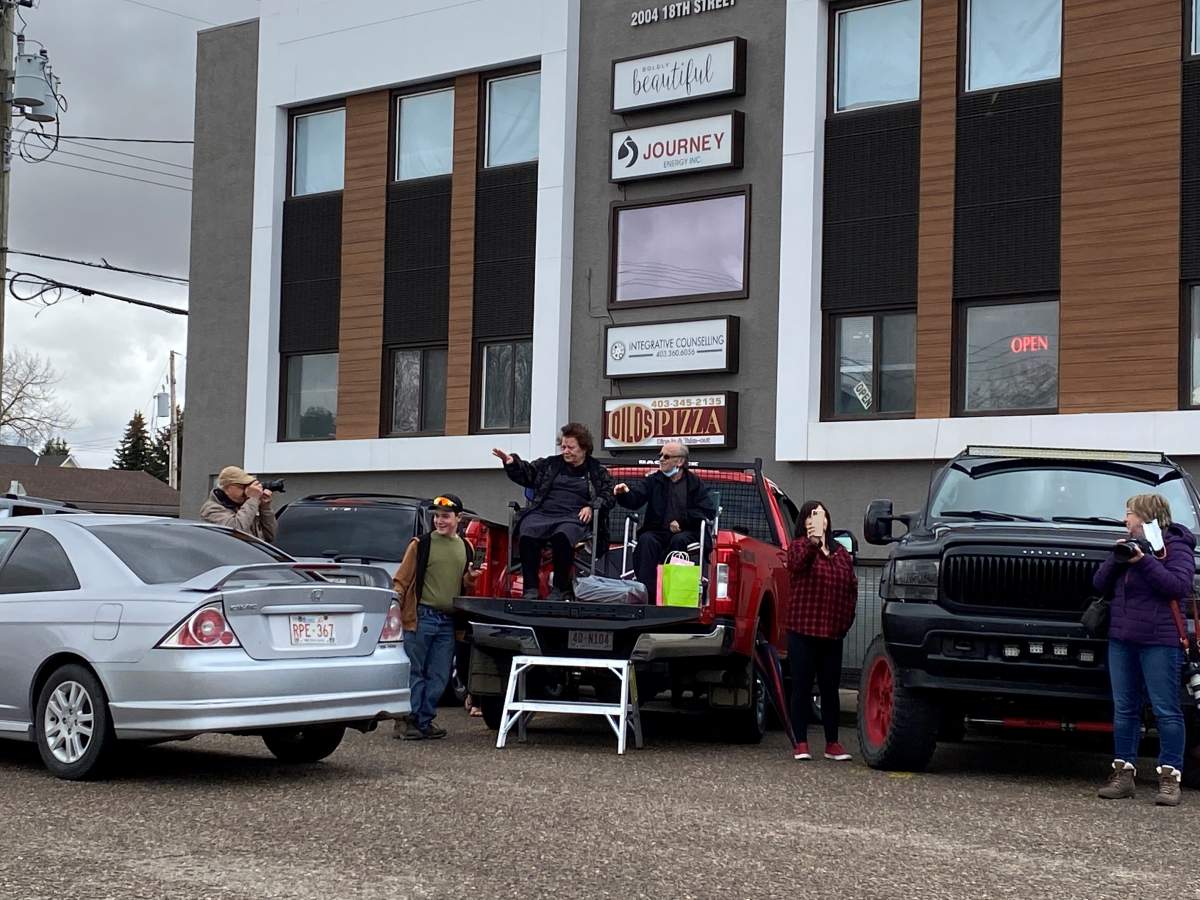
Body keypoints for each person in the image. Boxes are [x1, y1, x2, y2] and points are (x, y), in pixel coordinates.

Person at [1094, 493, 1195, 806]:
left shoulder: (1176, 547)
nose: (1126, 519)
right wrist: (1118, 557)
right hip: (1122, 638)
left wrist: (1146, 561)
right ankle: (1123, 774)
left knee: (1166, 710)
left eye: (1130, 514)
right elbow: (1098, 584)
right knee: (1125, 708)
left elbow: (1178, 586)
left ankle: (1170, 777)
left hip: (1160, 641)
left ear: (1146, 517)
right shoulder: (1128, 545)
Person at [492, 422, 615, 601]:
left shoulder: (596, 471)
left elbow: (608, 494)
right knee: (527, 531)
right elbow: (529, 473)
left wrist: (592, 505)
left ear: (584, 448)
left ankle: (560, 588)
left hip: (574, 516)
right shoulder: (550, 464)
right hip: (544, 512)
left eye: (571, 447)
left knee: (562, 536)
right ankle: (531, 588)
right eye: (563, 446)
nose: (565, 451)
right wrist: (512, 463)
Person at [393, 493, 481, 741]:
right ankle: (408, 720)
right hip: (421, 617)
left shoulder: (466, 547)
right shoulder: (420, 545)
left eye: (445, 516)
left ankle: (425, 719)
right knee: (415, 671)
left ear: (458, 518)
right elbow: (401, 580)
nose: (440, 521)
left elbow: (465, 585)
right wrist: (396, 613)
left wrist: (471, 579)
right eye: (437, 516)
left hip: (448, 622)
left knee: (440, 674)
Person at [785, 500, 857, 762]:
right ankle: (801, 742)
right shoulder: (798, 548)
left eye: (821, 515)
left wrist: (845, 622)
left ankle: (833, 743)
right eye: (810, 516)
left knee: (830, 689)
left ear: (828, 521)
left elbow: (851, 589)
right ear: (803, 523)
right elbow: (796, 565)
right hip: (802, 630)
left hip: (832, 633)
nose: (816, 520)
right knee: (802, 687)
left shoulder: (841, 555)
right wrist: (813, 544)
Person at [614, 442, 715, 602]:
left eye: (666, 456)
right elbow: (636, 499)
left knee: (679, 540)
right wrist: (623, 494)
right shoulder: (654, 480)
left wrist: (682, 522)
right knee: (647, 540)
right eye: (660, 455)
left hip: (687, 532)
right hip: (657, 531)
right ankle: (648, 595)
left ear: (680, 462)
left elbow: (707, 510)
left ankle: (674, 595)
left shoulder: (694, 483)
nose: (661, 459)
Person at [199, 466, 277, 542]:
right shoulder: (211, 509)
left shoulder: (246, 505)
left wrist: (265, 507)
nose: (247, 491)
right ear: (227, 487)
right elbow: (236, 531)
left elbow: (270, 536)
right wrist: (253, 499)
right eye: (243, 487)